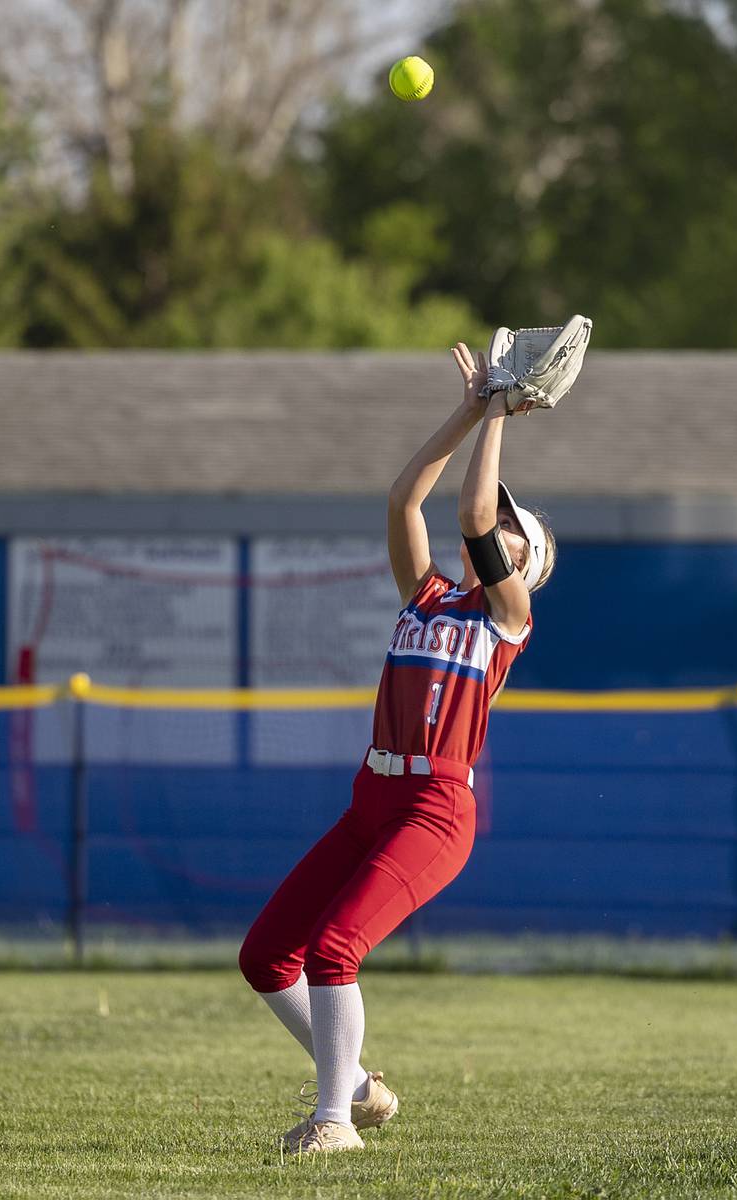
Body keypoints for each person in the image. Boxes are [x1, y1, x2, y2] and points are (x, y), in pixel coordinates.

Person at [238, 341, 556, 1155]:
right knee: (268, 953)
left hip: (435, 810)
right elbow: (404, 499)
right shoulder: (431, 596)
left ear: (526, 566)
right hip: (373, 798)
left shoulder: (505, 620)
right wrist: (470, 404)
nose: (498, 530)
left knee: (336, 948)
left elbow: (474, 515)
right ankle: (351, 1088)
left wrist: (499, 409)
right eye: (505, 526)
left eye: (515, 534)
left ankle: (333, 1125)